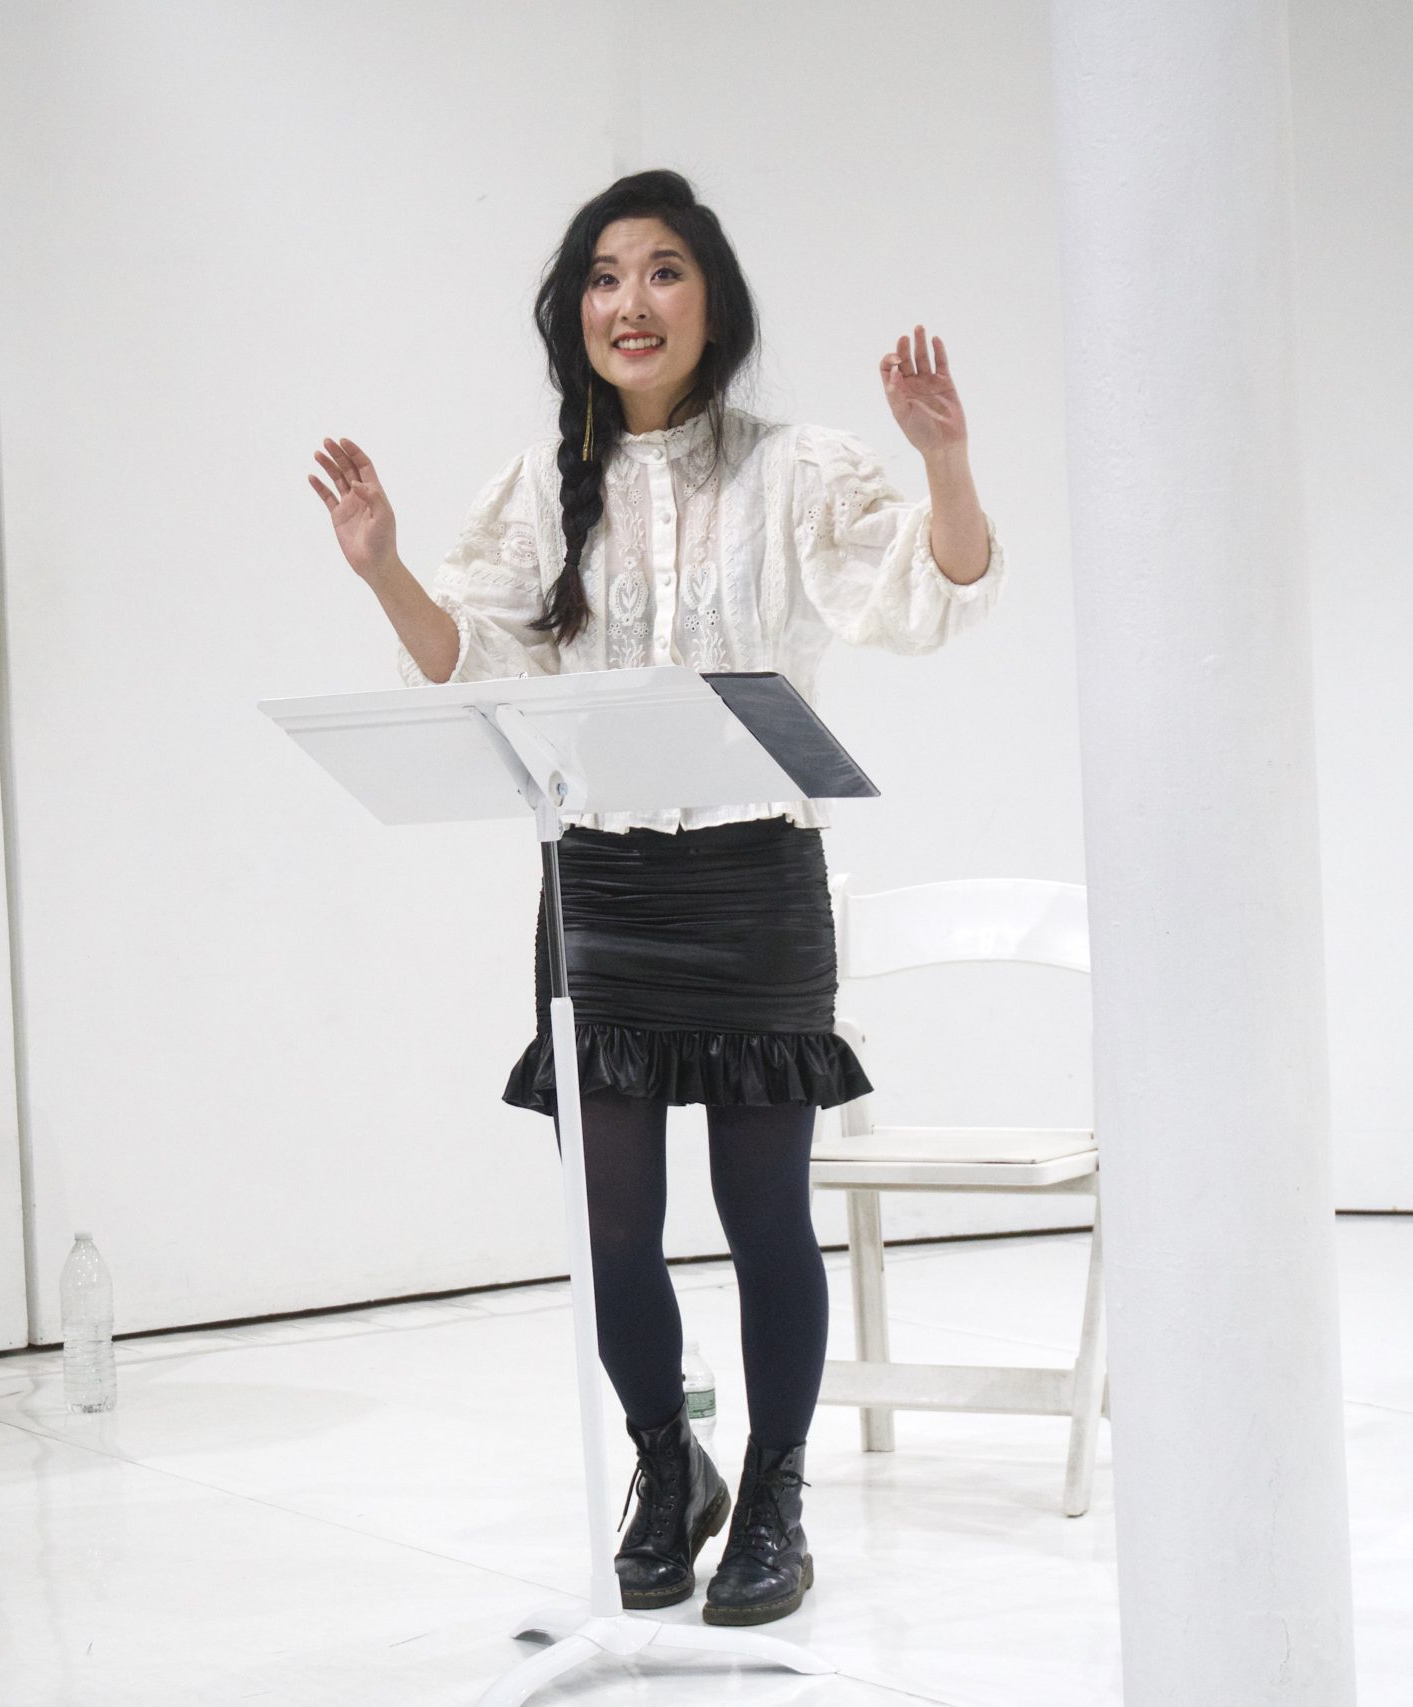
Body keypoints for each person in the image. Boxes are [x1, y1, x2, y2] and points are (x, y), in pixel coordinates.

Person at [309, 170, 1000, 1625]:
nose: (632, 301)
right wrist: (380, 570)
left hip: (754, 880)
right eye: (606, 276)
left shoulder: (799, 469)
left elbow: (928, 596)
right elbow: (474, 665)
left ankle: (777, 1495)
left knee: (764, 1221)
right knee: (613, 1227)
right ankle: (667, 1464)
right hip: (603, 882)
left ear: (712, 302)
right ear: (575, 310)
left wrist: (944, 459)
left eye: (665, 271)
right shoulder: (533, 489)